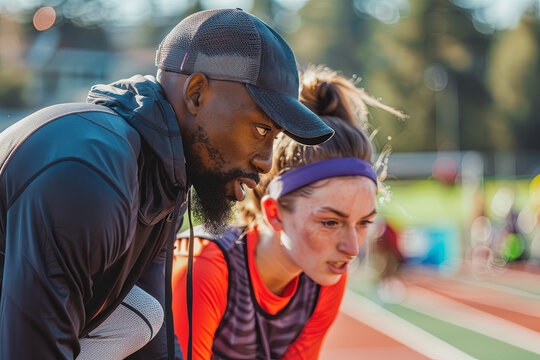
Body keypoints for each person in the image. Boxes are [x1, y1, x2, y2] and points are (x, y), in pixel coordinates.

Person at [0, 9, 334, 360]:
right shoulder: (91, 176)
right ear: (196, 93)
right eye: (261, 130)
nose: (266, 162)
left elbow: (157, 346)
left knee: (143, 316)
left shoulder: (161, 177)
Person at [172, 65, 406, 359]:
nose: (351, 248)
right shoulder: (203, 266)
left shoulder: (326, 273)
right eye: (330, 222)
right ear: (275, 213)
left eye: (363, 223)